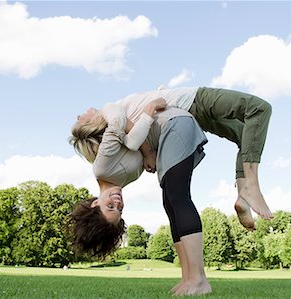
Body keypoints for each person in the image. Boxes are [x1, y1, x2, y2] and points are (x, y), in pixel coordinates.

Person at [71, 86, 273, 230]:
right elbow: (133, 136)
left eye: (111, 207)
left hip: (185, 112)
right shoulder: (109, 110)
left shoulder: (119, 142)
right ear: (89, 126)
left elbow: (134, 137)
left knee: (246, 136)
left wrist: (157, 97)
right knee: (259, 109)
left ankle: (243, 194)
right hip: (191, 100)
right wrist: (150, 117)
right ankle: (252, 186)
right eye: (118, 209)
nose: (78, 115)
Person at [70, 99, 212, 296]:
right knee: (169, 202)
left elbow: (118, 123)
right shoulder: (121, 181)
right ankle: (187, 278)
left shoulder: (101, 167)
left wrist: (147, 150)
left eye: (110, 206)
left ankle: (198, 279)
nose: (118, 203)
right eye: (119, 210)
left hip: (174, 125)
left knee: (176, 195)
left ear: (95, 203)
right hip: (169, 135)